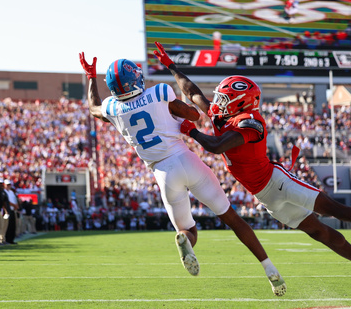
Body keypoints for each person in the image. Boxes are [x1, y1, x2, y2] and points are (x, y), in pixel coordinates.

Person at [153, 41, 351, 299]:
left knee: (335, 209)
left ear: (240, 102)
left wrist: (189, 128)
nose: (218, 104)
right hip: (264, 196)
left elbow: (215, 146)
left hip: (278, 182)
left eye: (225, 99)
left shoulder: (250, 123)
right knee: (319, 232)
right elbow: (191, 92)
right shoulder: (222, 112)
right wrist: (170, 65)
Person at [79, 52, 286, 296]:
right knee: (232, 218)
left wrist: (90, 76)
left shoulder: (112, 108)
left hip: (162, 173)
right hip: (186, 160)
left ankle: (184, 240)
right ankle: (270, 269)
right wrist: (176, 114)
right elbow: (194, 115)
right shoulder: (158, 92)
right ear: (134, 78)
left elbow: (93, 107)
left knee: (188, 230)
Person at [3, 179, 18, 244]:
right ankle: (7, 239)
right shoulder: (4, 191)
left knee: (13, 225)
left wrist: (16, 206)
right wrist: (14, 205)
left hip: (13, 210)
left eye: (9, 184)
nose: (9, 186)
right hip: (7, 210)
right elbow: (6, 201)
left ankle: (11, 239)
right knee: (7, 226)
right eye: (7, 184)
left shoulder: (11, 192)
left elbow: (15, 200)